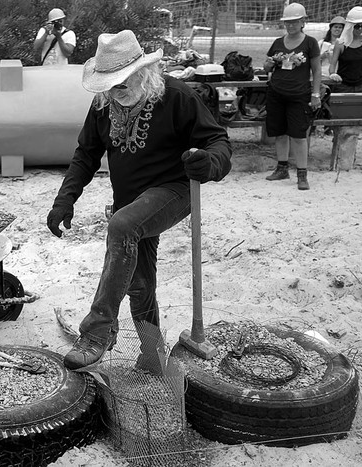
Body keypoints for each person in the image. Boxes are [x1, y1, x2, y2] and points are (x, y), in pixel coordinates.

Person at [46, 30, 232, 371]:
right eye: (109, 82)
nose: (116, 89)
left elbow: (219, 142)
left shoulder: (176, 95)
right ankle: (152, 355)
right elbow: (87, 154)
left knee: (122, 225)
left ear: (143, 72)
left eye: (122, 80)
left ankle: (98, 331)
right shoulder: (103, 103)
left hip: (174, 191)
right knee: (139, 282)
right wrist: (65, 199)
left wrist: (210, 163)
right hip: (130, 201)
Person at [263, 2, 321, 191]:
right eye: (288, 22)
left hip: (299, 94)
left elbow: (317, 70)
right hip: (276, 93)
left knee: (298, 135)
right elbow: (266, 67)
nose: (290, 25)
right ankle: (282, 168)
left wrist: (316, 93)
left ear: (303, 21)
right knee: (279, 133)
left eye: (295, 22)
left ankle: (302, 174)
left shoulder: (310, 42)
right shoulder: (278, 43)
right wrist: (269, 64)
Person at [329, 6, 362, 93]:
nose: (360, 29)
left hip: (361, 86)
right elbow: (332, 64)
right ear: (350, 26)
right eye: (357, 26)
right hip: (342, 86)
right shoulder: (340, 44)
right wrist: (332, 74)